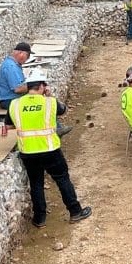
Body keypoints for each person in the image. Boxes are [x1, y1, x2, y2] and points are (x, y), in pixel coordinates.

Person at [10, 72, 92, 227]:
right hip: (49, 149)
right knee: (62, 179)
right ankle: (75, 211)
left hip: (27, 151)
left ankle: (39, 218)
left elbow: (8, 125)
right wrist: (49, 95)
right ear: (42, 86)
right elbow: (63, 110)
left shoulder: (15, 104)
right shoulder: (50, 102)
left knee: (36, 183)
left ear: (28, 87)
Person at [0, 42, 33, 123]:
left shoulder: (11, 63)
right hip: (8, 100)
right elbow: (18, 89)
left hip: (8, 98)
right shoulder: (11, 67)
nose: (27, 59)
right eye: (28, 56)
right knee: (38, 103)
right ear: (21, 53)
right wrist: (33, 85)